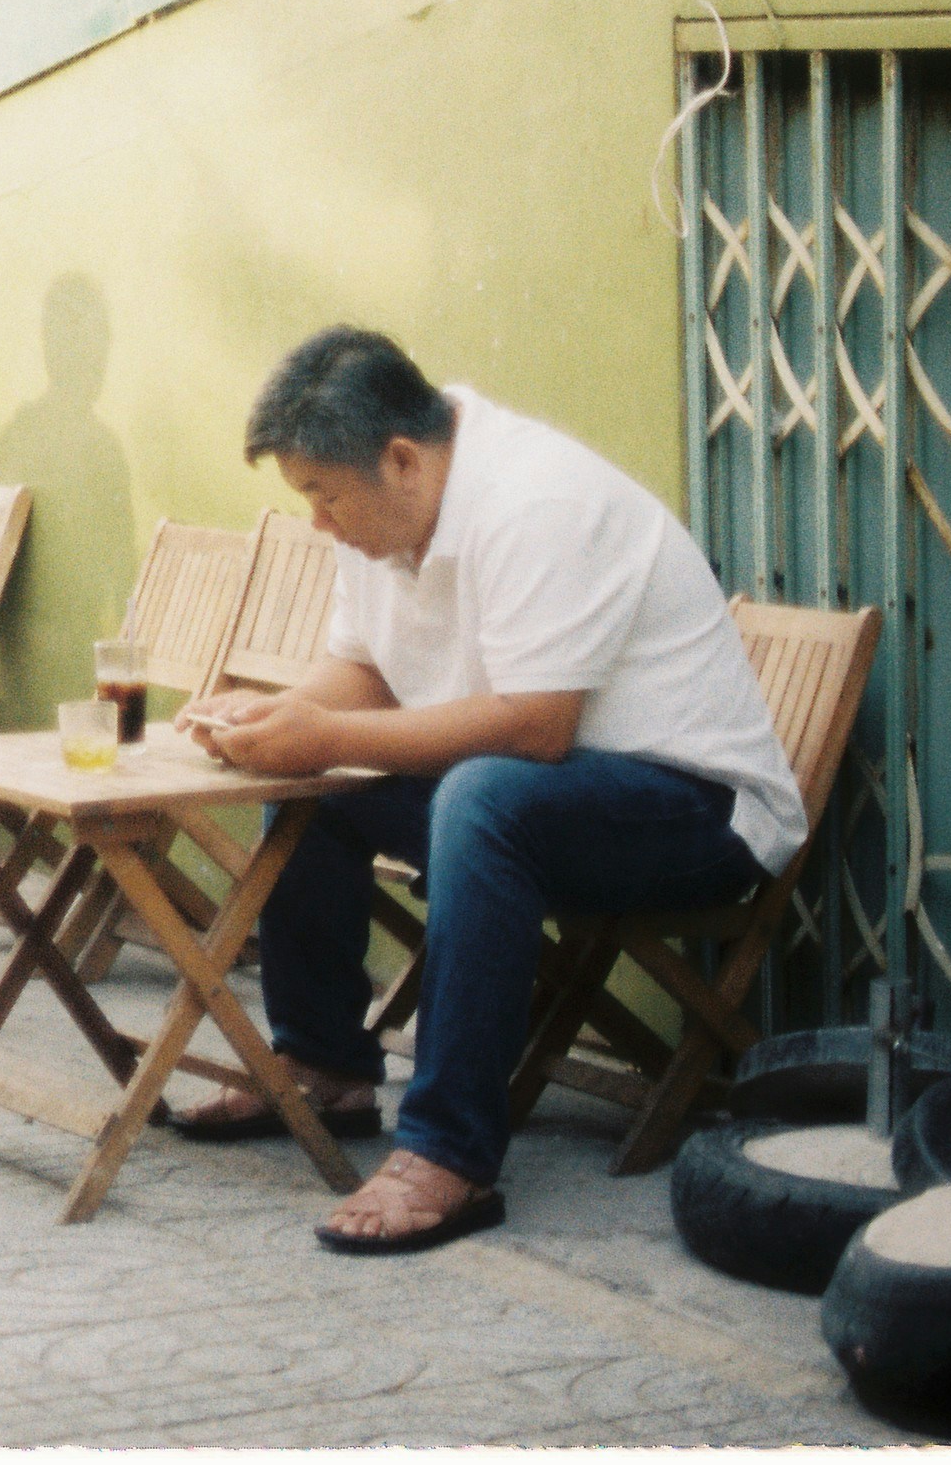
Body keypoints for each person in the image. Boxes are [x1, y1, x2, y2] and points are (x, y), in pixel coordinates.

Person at [174, 326, 803, 1257]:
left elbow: (537, 724)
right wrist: (272, 722)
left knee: (482, 795)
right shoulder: (380, 507)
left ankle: (447, 1154)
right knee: (318, 784)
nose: (318, 520)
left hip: (693, 809)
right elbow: (364, 673)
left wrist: (327, 733)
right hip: (538, 796)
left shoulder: (534, 499)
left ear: (401, 460)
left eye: (323, 494)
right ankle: (322, 1069)